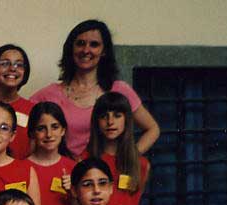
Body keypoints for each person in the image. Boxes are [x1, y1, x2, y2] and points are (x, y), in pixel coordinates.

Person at [30, 19, 159, 157]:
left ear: (104, 51)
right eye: (80, 43)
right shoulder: (48, 95)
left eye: (94, 44)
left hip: (104, 170)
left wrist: (128, 159)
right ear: (71, 48)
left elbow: (152, 129)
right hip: (64, 169)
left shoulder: (119, 90)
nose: (86, 50)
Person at [86, 91, 150, 205]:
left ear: (127, 120)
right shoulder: (84, 160)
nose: (110, 122)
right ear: (96, 121)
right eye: (104, 116)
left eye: (117, 115)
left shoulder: (141, 164)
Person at [25, 102, 77, 205]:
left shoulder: (73, 168)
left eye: (55, 127)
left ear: (63, 130)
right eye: (41, 128)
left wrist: (73, 193)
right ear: (32, 133)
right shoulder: (20, 168)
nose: (49, 134)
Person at [0, 44, 34, 160]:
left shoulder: (33, 110)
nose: (13, 69)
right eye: (5, 64)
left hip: (22, 170)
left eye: (19, 65)